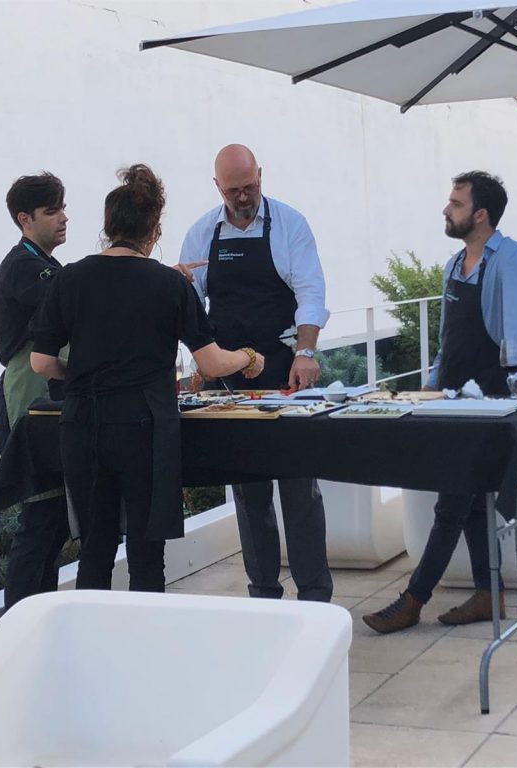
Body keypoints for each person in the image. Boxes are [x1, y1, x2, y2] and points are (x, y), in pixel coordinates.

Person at [30, 165, 266, 591]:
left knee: (95, 549)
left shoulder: (69, 278)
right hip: (145, 428)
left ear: (108, 227)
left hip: (83, 424)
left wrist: (78, 374)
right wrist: (248, 356)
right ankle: (145, 630)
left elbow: (41, 363)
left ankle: (91, 631)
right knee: (146, 553)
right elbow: (212, 364)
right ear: (154, 230)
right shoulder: (169, 284)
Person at [362, 171, 517, 634]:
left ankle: (413, 599)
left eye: (455, 203)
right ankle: (488, 593)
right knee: (470, 500)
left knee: (452, 501)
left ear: (481, 214)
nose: (446, 210)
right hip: (448, 397)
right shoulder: (454, 263)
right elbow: (448, 339)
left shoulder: (510, 259)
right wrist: (430, 383)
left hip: (486, 400)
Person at [177, 144, 333, 602]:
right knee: (249, 492)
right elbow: (189, 303)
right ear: (217, 187)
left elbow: (311, 291)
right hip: (229, 378)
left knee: (299, 487)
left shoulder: (290, 225)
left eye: (250, 187)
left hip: (286, 372)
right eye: (233, 191)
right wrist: (200, 359)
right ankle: (263, 594)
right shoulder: (201, 233)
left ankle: (315, 596)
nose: (243, 197)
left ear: (261, 175)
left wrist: (306, 352)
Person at [0, 172, 72, 610]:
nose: (64, 218)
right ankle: (18, 621)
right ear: (25, 219)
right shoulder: (23, 267)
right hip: (29, 394)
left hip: (47, 390)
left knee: (55, 520)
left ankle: (39, 615)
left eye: (63, 208)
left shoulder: (45, 265)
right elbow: (71, 299)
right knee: (41, 515)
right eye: (52, 210)